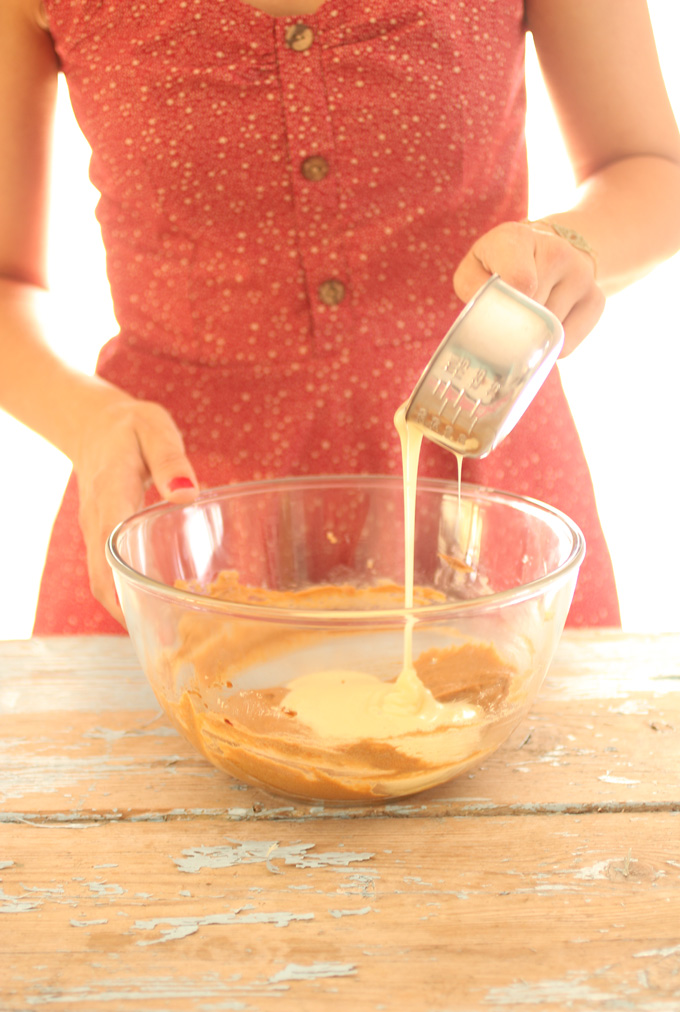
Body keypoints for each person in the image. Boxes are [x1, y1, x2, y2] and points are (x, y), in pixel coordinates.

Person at [1, 0, 679, 633]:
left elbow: (649, 166)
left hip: (485, 475)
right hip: (173, 520)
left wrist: (566, 246)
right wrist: (90, 422)